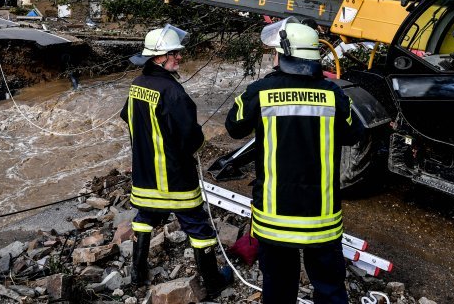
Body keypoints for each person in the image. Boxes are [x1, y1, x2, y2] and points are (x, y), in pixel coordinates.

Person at [225, 19, 363, 304]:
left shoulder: (261, 91)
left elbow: (234, 126)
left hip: (274, 219)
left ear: (285, 54)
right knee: (330, 288)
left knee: (278, 289)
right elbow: (354, 136)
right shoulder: (334, 94)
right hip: (321, 219)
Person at [120, 24, 232, 297]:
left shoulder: (137, 85)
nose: (180, 57)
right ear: (158, 57)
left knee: (144, 217)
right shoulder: (172, 92)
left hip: (145, 176)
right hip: (175, 178)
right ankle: (213, 281)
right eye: (175, 53)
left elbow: (127, 117)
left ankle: (137, 273)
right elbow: (190, 139)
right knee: (198, 225)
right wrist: (199, 142)